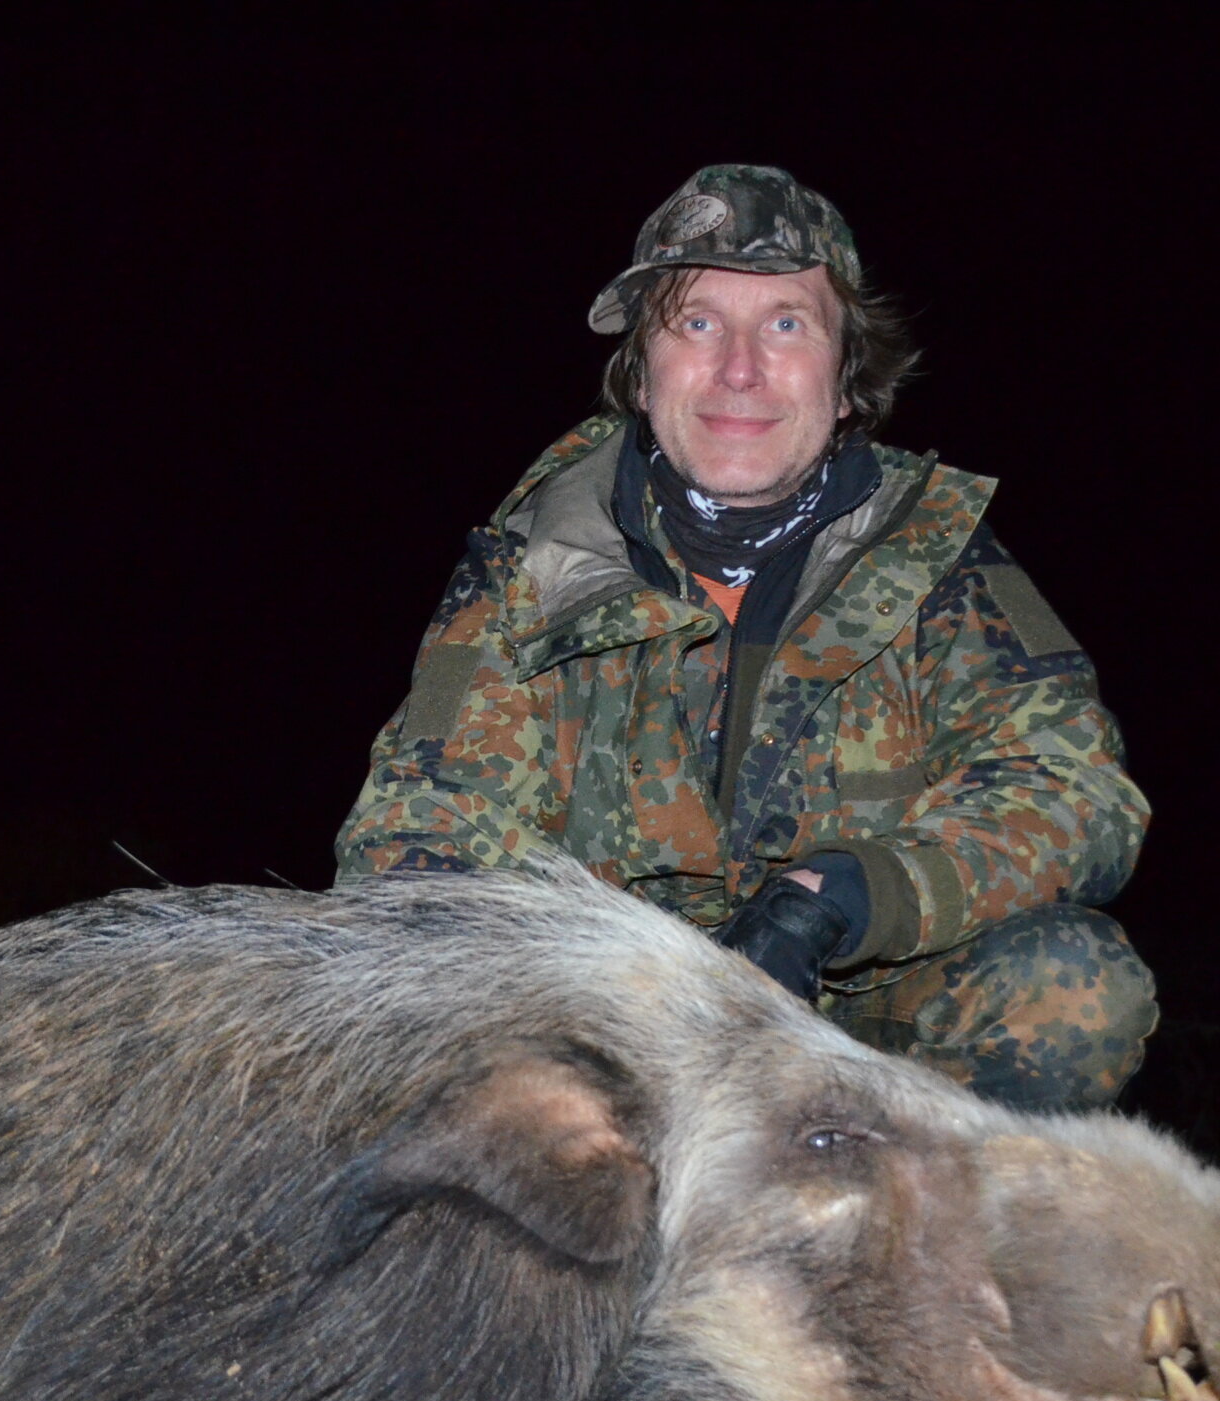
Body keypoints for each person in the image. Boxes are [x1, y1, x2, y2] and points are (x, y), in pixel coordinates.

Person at [335, 164, 1155, 1110]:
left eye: (786, 325)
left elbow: (1076, 790)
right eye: (697, 322)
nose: (739, 370)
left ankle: (899, 1246)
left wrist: (846, 896)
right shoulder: (529, 570)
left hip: (856, 1029)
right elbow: (410, 838)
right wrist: (613, 994)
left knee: (1074, 987)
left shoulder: (945, 566)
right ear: (641, 374)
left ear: (847, 378)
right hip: (610, 1033)